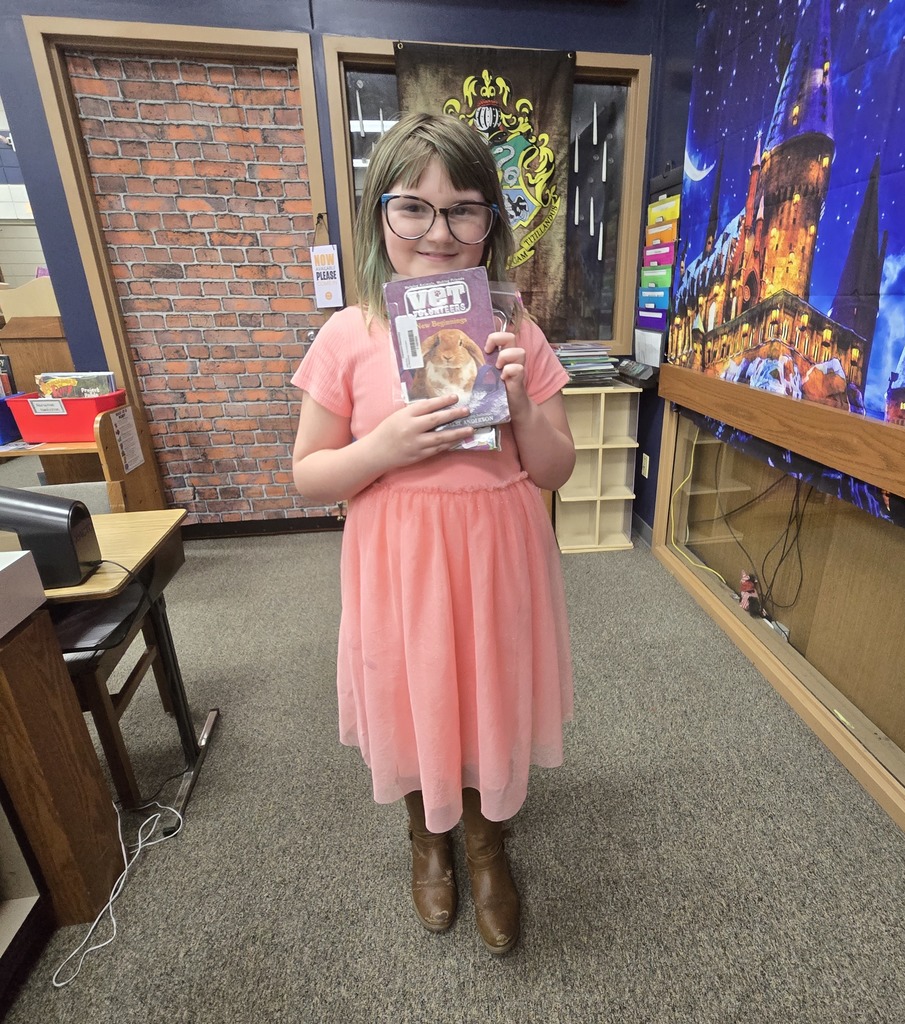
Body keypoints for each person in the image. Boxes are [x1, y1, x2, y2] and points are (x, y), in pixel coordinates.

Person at [290, 112, 575, 956]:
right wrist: (380, 448)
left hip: (497, 557)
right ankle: (427, 839)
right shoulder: (349, 332)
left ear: (494, 220)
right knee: (414, 696)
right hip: (398, 564)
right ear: (381, 214)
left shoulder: (516, 327)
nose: (439, 232)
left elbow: (556, 468)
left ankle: (486, 845)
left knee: (488, 688)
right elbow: (309, 474)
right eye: (413, 207)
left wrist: (523, 401)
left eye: (464, 209)